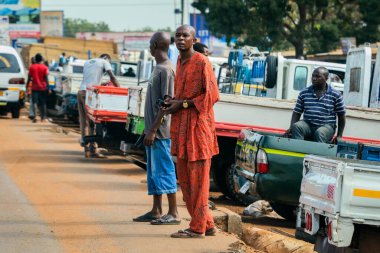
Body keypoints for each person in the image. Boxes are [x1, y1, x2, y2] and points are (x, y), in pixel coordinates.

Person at [163, 25, 219, 238]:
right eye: (177, 35)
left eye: (185, 35)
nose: (180, 38)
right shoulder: (179, 61)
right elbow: (183, 94)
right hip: (182, 130)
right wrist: (172, 102)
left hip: (198, 131)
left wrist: (183, 105)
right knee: (186, 180)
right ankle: (208, 224)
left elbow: (211, 95)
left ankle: (197, 228)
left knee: (198, 182)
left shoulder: (201, 61)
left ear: (194, 40)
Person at [133, 31, 180, 225]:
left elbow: (167, 103)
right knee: (153, 172)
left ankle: (174, 213)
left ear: (155, 45)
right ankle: (156, 210)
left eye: (150, 43)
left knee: (164, 170)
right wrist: (148, 128)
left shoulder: (166, 70)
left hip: (160, 132)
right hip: (152, 130)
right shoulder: (158, 67)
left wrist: (153, 129)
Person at [285, 67, 346, 143]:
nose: (314, 78)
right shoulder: (304, 93)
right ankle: (298, 151)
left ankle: (317, 154)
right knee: (297, 127)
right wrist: (291, 128)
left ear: (326, 78)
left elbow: (341, 116)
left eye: (318, 76)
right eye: (313, 76)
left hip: (327, 126)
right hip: (308, 125)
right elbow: (297, 112)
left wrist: (339, 136)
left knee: (320, 133)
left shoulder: (336, 94)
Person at [78, 54, 120, 158]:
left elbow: (90, 80)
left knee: (84, 122)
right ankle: (93, 150)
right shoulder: (105, 62)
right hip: (89, 94)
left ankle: (86, 150)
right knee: (92, 122)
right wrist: (119, 89)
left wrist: (103, 84)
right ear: (107, 59)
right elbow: (112, 76)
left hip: (80, 92)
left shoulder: (88, 62)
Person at [26, 53, 49, 123]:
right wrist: (48, 87)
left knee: (34, 102)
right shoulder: (45, 67)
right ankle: (43, 117)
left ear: (35, 59)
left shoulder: (32, 67)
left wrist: (27, 86)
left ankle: (35, 116)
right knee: (43, 103)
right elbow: (46, 78)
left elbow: (29, 78)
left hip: (34, 88)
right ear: (41, 59)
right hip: (43, 87)